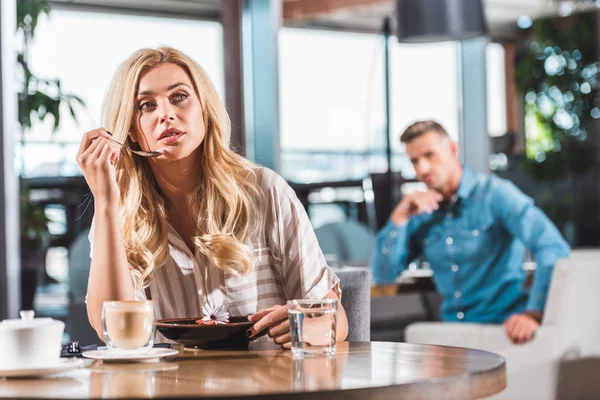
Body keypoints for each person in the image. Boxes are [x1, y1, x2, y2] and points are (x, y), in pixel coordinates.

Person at [76, 47, 348, 346]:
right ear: (130, 131)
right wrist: (104, 203)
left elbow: (335, 320)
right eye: (146, 105)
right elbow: (113, 333)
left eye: (179, 97)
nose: (166, 114)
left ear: (204, 109)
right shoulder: (118, 216)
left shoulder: (265, 191)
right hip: (174, 387)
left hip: (268, 386)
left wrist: (307, 328)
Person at [371, 120, 570, 344]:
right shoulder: (421, 212)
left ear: (453, 150)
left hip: (504, 332)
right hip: (453, 338)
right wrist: (398, 218)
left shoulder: (495, 195)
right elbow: (383, 276)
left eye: (429, 156)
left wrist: (533, 313)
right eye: (415, 161)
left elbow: (552, 247)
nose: (421, 169)